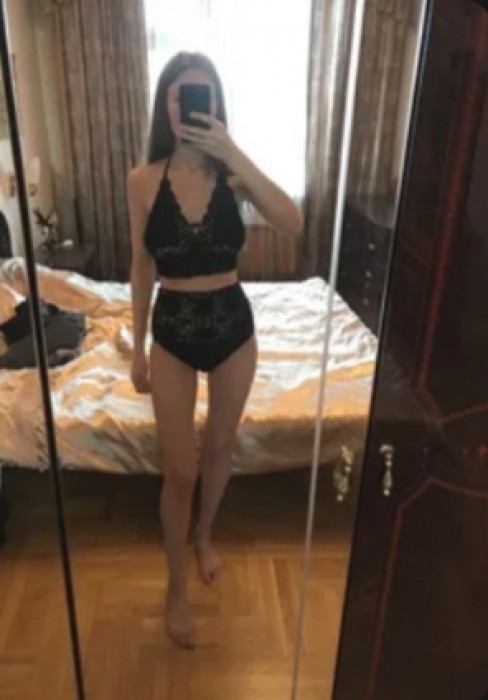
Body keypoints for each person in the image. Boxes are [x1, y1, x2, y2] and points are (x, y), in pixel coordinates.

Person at [128, 51, 302, 648]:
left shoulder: (234, 175)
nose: (190, 106)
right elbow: (140, 267)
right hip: (172, 328)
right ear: (166, 106)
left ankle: (205, 535)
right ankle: (175, 587)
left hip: (233, 326)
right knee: (180, 468)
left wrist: (235, 154)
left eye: (203, 95)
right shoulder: (142, 180)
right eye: (180, 96)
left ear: (219, 106)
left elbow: (293, 222)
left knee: (222, 445)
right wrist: (136, 349)